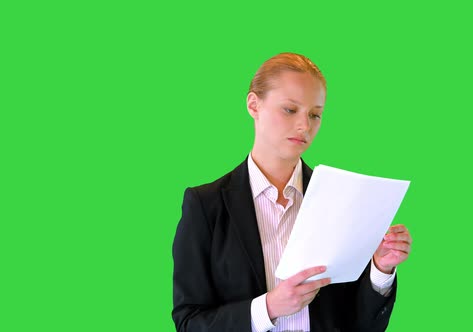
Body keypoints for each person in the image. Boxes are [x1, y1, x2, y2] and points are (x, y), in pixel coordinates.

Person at [172, 53, 413, 332]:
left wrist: (381, 270)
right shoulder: (205, 205)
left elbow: (360, 324)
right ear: (254, 105)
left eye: (315, 114)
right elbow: (188, 322)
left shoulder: (341, 201)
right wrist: (269, 308)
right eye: (289, 109)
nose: (304, 126)